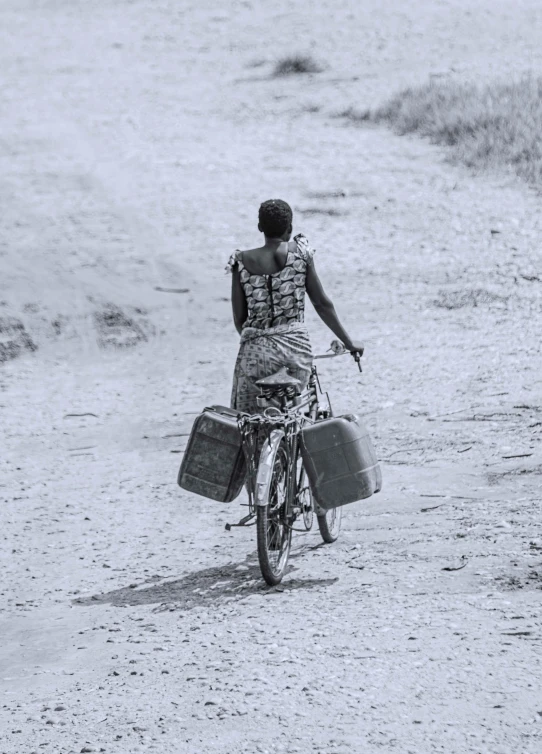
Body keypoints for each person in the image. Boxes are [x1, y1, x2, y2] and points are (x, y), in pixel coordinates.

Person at [226, 199, 364, 414]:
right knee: (295, 416)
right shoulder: (300, 253)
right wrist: (349, 342)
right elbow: (322, 303)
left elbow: (239, 319)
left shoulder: (241, 261)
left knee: (249, 423)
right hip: (296, 351)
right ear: (289, 228)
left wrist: (258, 343)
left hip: (255, 352)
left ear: (260, 227)